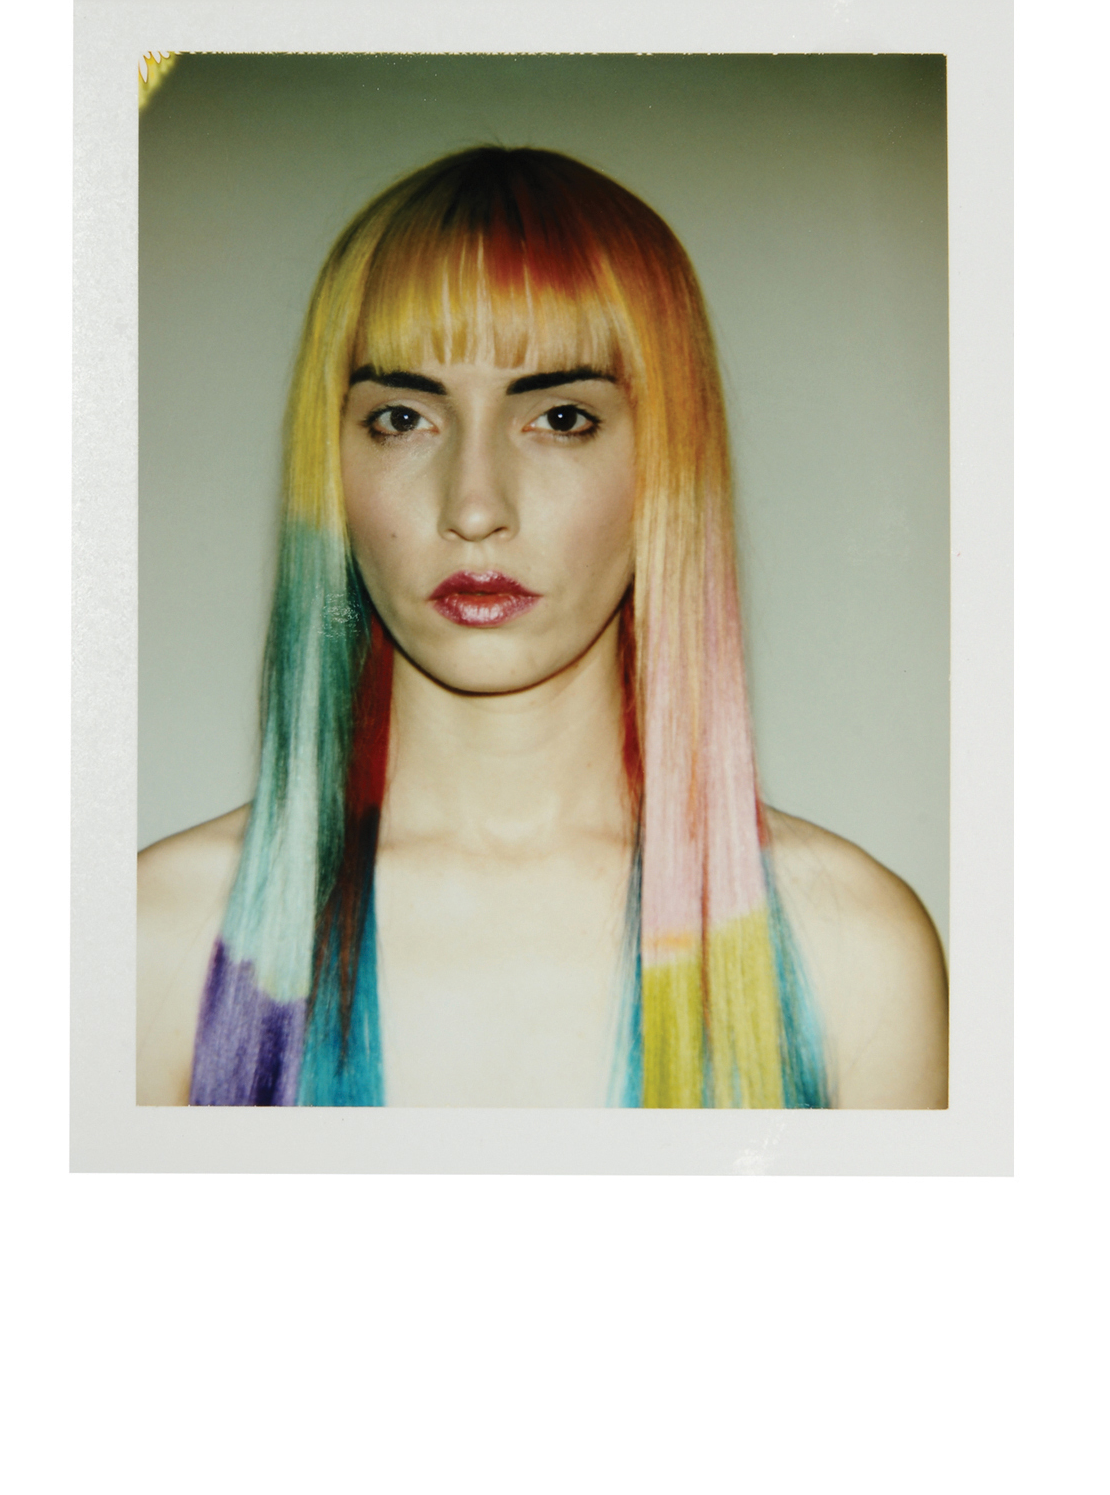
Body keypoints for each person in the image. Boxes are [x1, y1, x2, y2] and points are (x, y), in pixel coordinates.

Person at [137, 146, 948, 1109]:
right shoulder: (150, 945)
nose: (475, 506)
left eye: (561, 417)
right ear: (333, 466)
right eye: (403, 418)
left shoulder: (853, 961)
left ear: (668, 461)